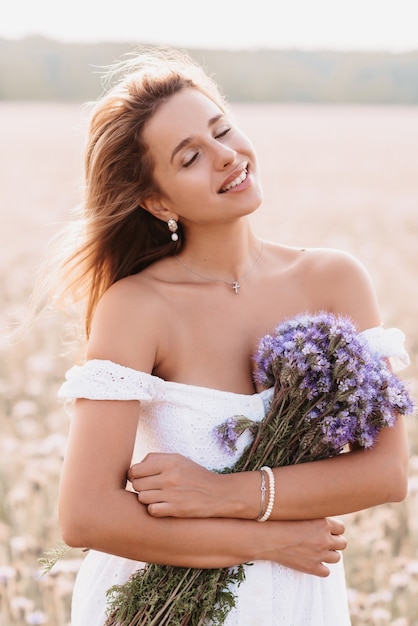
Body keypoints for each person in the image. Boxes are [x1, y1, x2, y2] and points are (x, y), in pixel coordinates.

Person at [55, 47, 410, 625]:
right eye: (191, 156)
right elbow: (86, 516)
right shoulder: (138, 307)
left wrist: (222, 495)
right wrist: (266, 541)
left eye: (222, 130)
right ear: (157, 200)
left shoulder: (334, 280)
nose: (226, 157)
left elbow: (386, 473)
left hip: (298, 599)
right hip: (166, 604)